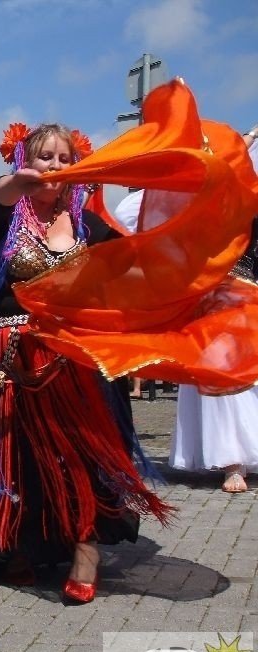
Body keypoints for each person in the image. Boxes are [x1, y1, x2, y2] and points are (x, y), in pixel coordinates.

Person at [0, 123, 171, 603]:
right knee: (17, 455)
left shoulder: (89, 225)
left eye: (65, 158)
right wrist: (23, 178)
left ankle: (85, 546)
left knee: (83, 452)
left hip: (73, 358)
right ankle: (19, 544)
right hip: (14, 358)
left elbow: (135, 263)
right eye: (44, 156)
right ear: (24, 160)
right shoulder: (4, 217)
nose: (55, 166)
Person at [168, 124, 258, 494]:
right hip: (213, 292)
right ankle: (231, 462)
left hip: (250, 288)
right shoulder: (198, 199)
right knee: (222, 374)